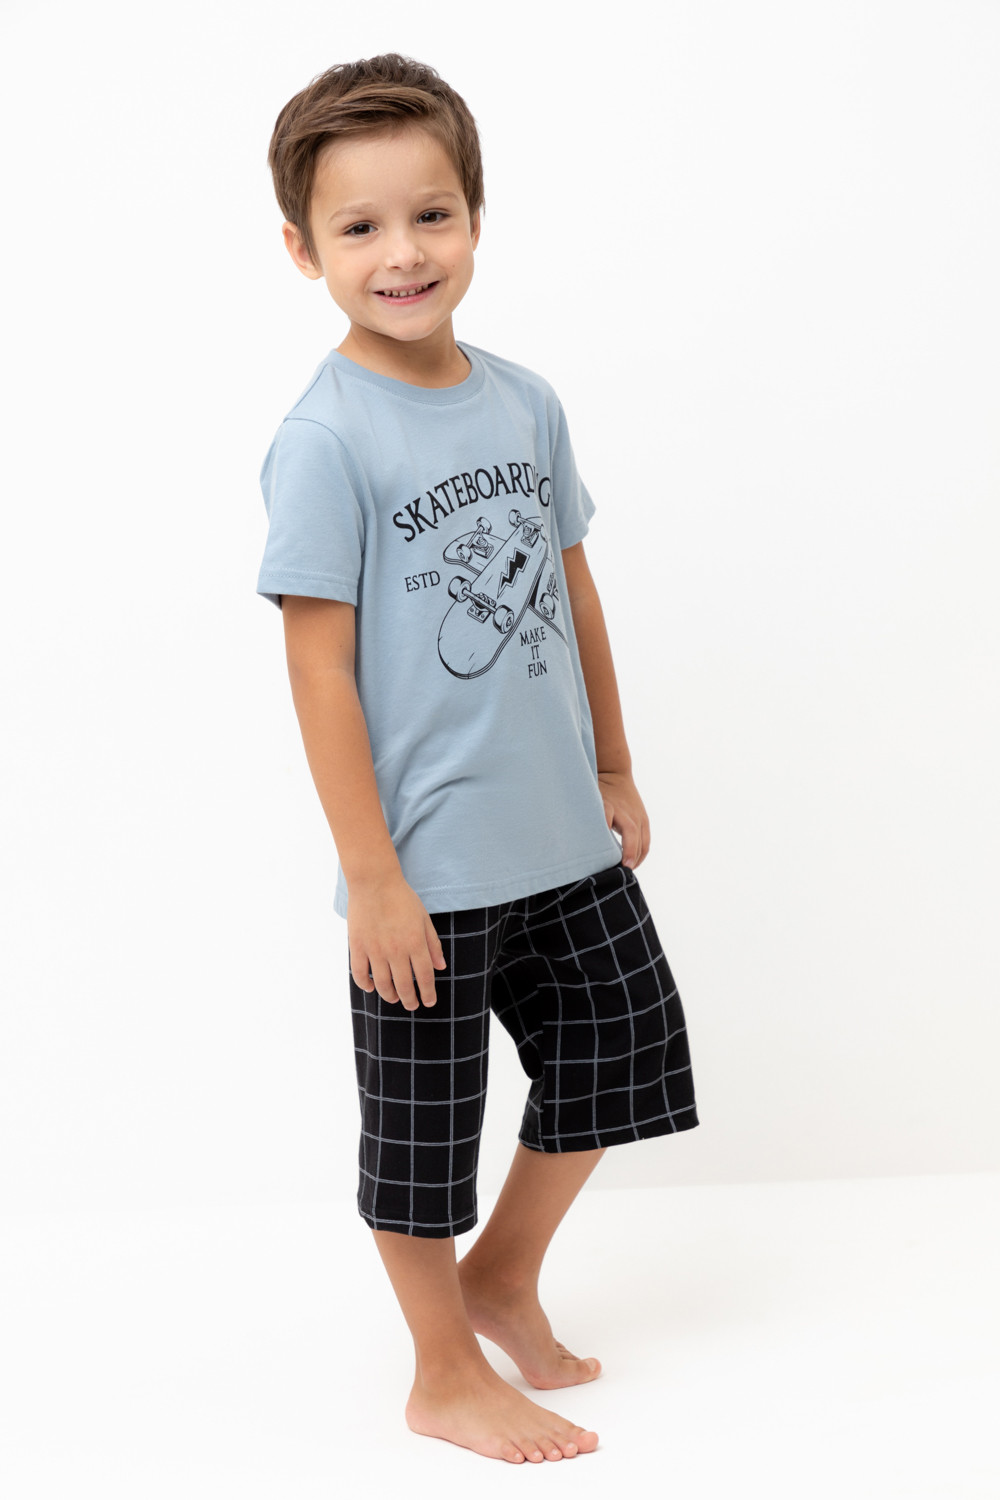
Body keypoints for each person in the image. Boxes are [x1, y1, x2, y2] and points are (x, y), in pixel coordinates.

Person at [255, 53, 699, 1465]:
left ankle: (502, 1278)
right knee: (422, 1134)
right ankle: (442, 1371)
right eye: (361, 227)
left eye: (430, 215)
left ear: (476, 219)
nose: (403, 252)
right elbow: (317, 670)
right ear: (304, 249)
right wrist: (373, 876)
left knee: (624, 1048)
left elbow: (575, 593)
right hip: (426, 870)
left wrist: (615, 765)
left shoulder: (524, 402)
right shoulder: (326, 438)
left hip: (561, 832)